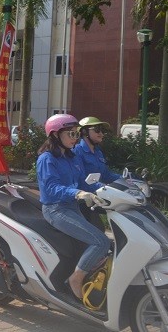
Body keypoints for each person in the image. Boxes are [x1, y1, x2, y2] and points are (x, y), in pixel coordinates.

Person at [36, 114, 110, 300]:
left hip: (73, 208)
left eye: (77, 134)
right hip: (56, 210)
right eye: (71, 133)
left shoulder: (72, 157)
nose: (75, 138)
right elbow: (51, 188)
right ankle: (75, 279)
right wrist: (76, 193)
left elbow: (84, 183)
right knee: (101, 241)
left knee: (96, 245)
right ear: (55, 135)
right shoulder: (47, 159)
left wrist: (109, 191)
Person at [73, 117, 121, 184]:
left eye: (102, 130)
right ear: (84, 131)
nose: (101, 134)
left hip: (101, 192)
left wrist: (125, 179)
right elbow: (81, 180)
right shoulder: (77, 151)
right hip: (85, 193)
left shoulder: (98, 152)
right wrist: (103, 187)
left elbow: (106, 175)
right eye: (97, 130)